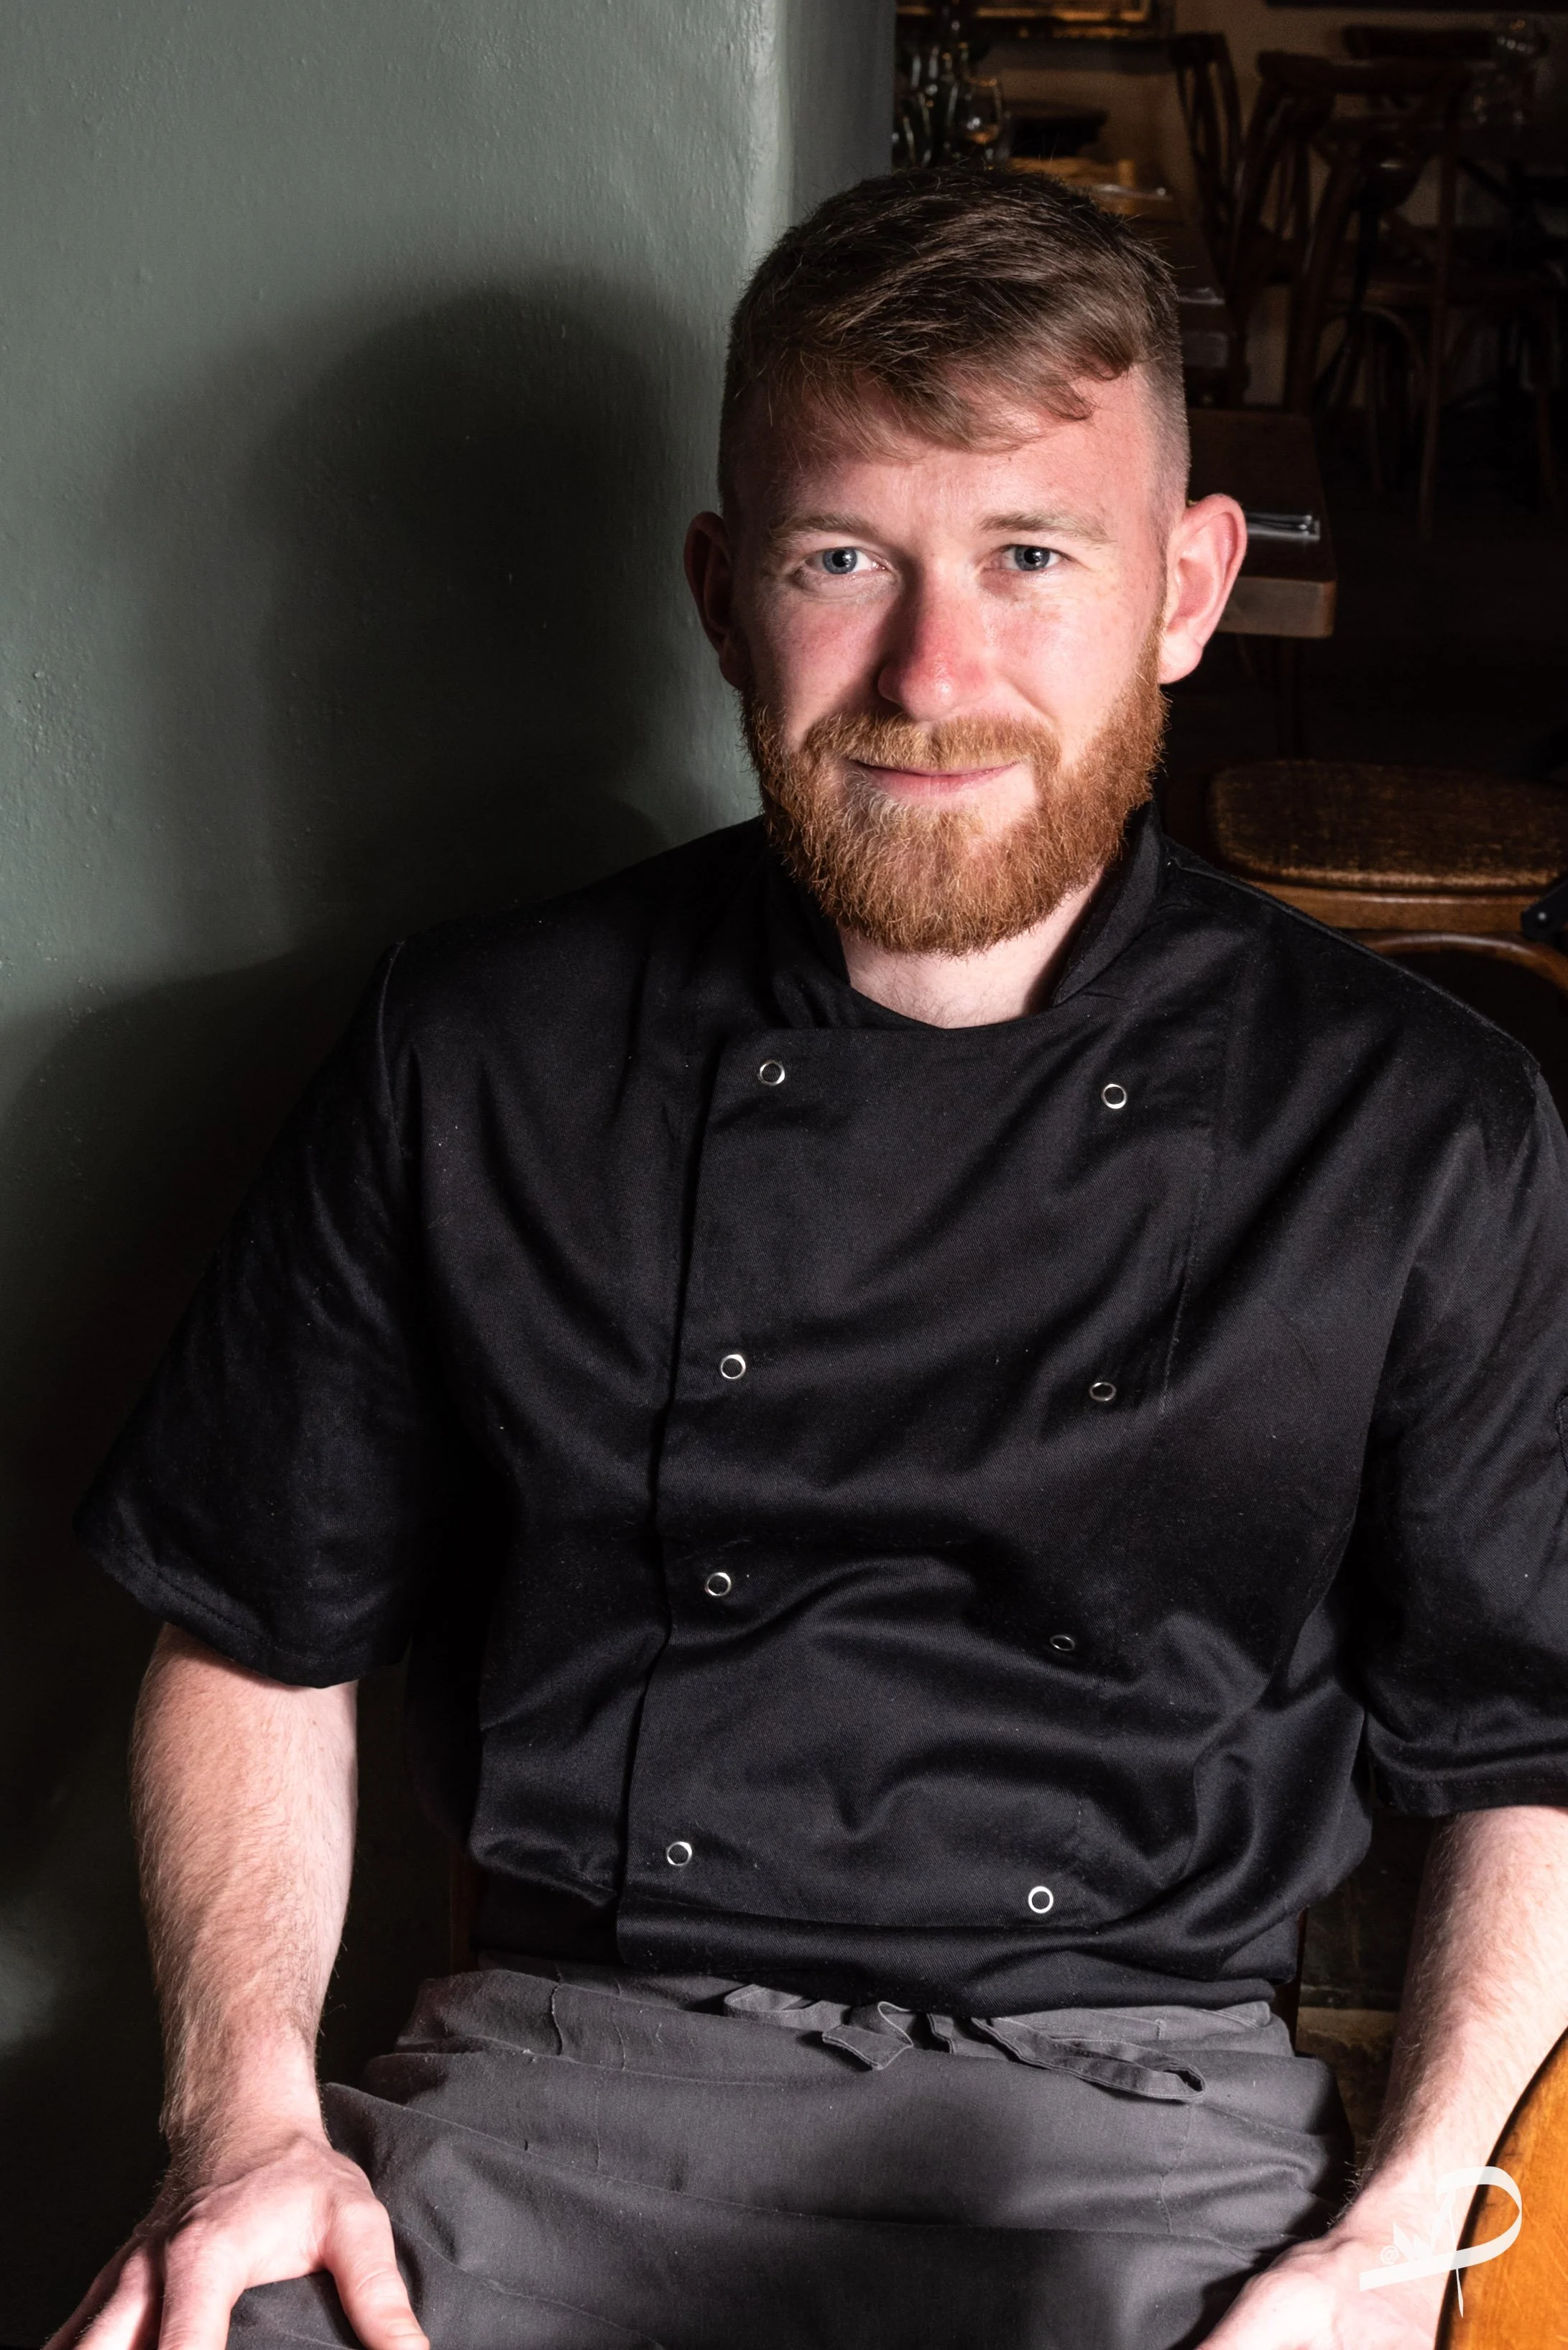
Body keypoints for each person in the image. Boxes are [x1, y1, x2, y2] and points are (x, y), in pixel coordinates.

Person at [52, 170, 1568, 2350]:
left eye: (1029, 559)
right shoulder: (477, 1048)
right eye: (841, 559)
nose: (930, 678)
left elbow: (1521, 1745)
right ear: (719, 593)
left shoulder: (1411, 1121)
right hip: (566, 2092)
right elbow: (252, 1636)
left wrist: (1397, 2232)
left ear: (1184, 588)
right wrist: (247, 2129)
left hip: (1143, 2129)